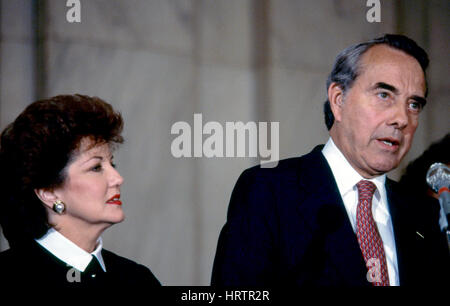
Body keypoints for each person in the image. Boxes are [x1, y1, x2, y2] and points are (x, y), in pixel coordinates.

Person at [211, 34, 450, 286]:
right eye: (384, 95)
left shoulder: (423, 214)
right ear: (338, 100)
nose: (402, 118)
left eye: (413, 104)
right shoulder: (269, 191)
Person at [0, 94, 161, 288]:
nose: (118, 178)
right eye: (96, 168)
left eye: (112, 164)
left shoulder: (137, 279)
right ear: (49, 193)